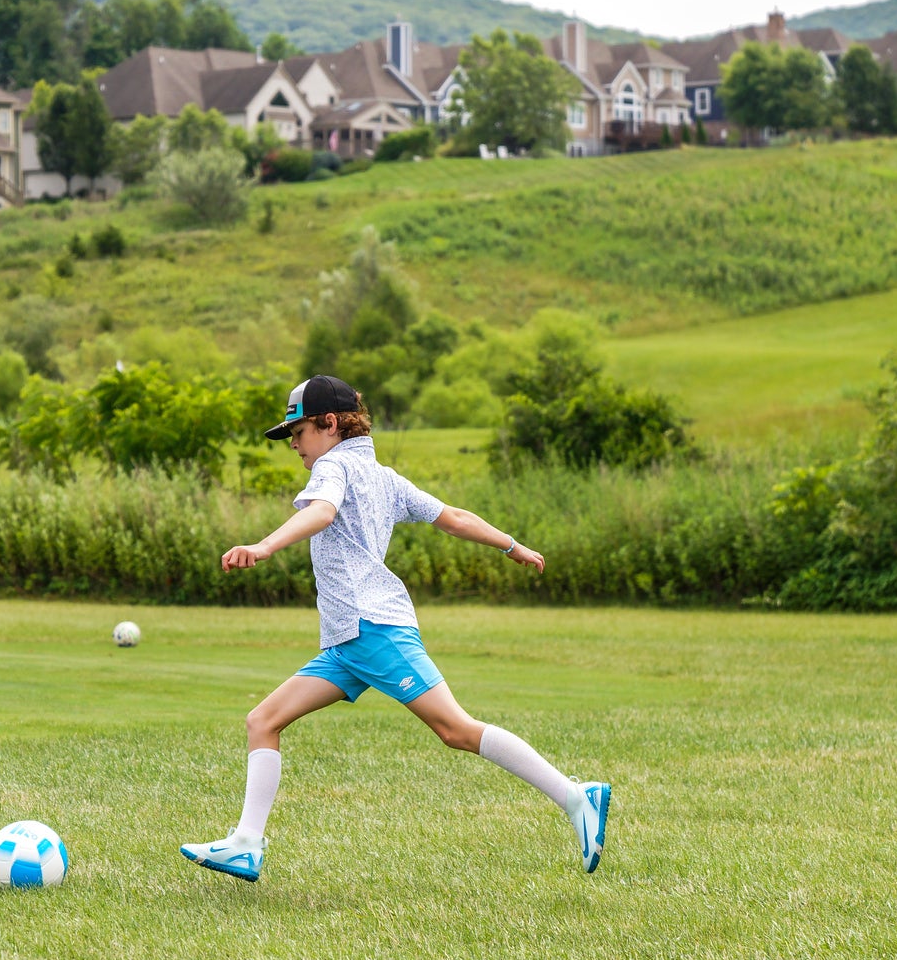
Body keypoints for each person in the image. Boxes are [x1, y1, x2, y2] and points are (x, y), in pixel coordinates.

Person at [180, 375, 611, 882]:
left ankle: (574, 796)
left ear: (330, 424)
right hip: (347, 642)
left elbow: (322, 511)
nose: (293, 443)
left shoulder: (334, 465)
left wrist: (265, 546)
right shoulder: (382, 475)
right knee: (263, 721)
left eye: (297, 431)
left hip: (373, 629)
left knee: (455, 729)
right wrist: (511, 545)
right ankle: (247, 844)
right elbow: (452, 516)